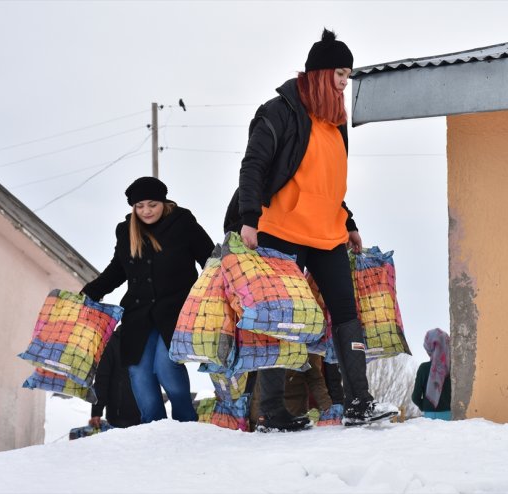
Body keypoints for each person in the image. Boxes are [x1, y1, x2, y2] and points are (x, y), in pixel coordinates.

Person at [237, 28, 398, 431]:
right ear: (320, 73)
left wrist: (350, 222)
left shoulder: (335, 123)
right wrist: (248, 218)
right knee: (280, 319)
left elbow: (327, 182)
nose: (345, 82)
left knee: (346, 313)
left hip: (327, 233)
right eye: (340, 73)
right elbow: (253, 165)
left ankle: (358, 402)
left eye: (348, 75)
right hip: (281, 230)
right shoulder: (279, 111)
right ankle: (271, 412)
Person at [82, 176, 215, 423]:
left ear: (163, 202)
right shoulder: (126, 231)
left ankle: (186, 421)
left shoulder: (182, 222)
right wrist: (90, 292)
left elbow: (209, 259)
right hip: (139, 315)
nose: (146, 211)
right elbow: (118, 270)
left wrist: (212, 294)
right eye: (140, 206)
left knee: (166, 366)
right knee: (139, 371)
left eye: (152, 204)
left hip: (176, 311)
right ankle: (153, 427)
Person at [89, 327, 141, 429]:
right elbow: (102, 378)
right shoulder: (113, 341)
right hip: (120, 416)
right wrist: (96, 411)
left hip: (144, 415)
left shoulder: (149, 340)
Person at [412, 328, 452, 420]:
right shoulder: (452, 368)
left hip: (429, 417)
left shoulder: (423, 368)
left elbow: (415, 397)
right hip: (449, 416)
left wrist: (426, 406)